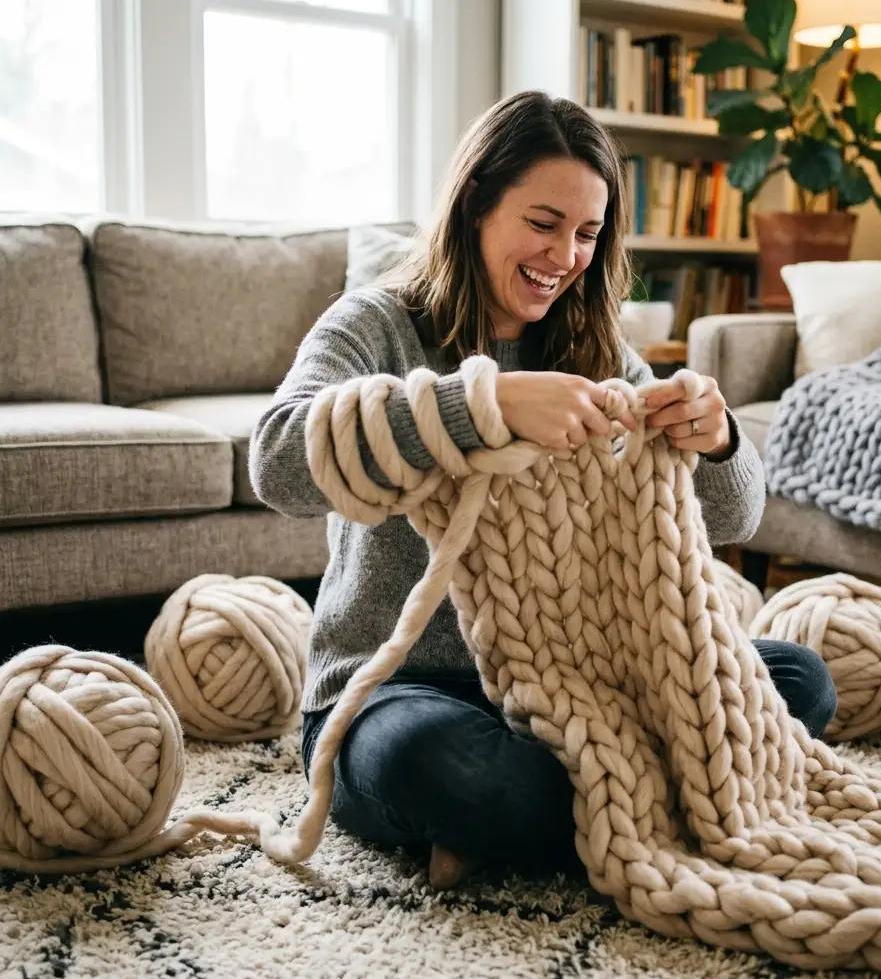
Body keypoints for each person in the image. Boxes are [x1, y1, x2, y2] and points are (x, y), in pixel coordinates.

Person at [249, 90, 837, 890]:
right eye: (543, 222)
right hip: (403, 689)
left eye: (588, 233)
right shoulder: (376, 323)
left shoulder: (595, 343)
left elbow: (734, 515)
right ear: (476, 206)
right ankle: (633, 801)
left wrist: (719, 435)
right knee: (446, 767)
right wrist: (475, 406)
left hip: (579, 680)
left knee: (800, 679)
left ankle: (541, 822)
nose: (565, 255)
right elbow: (278, 460)